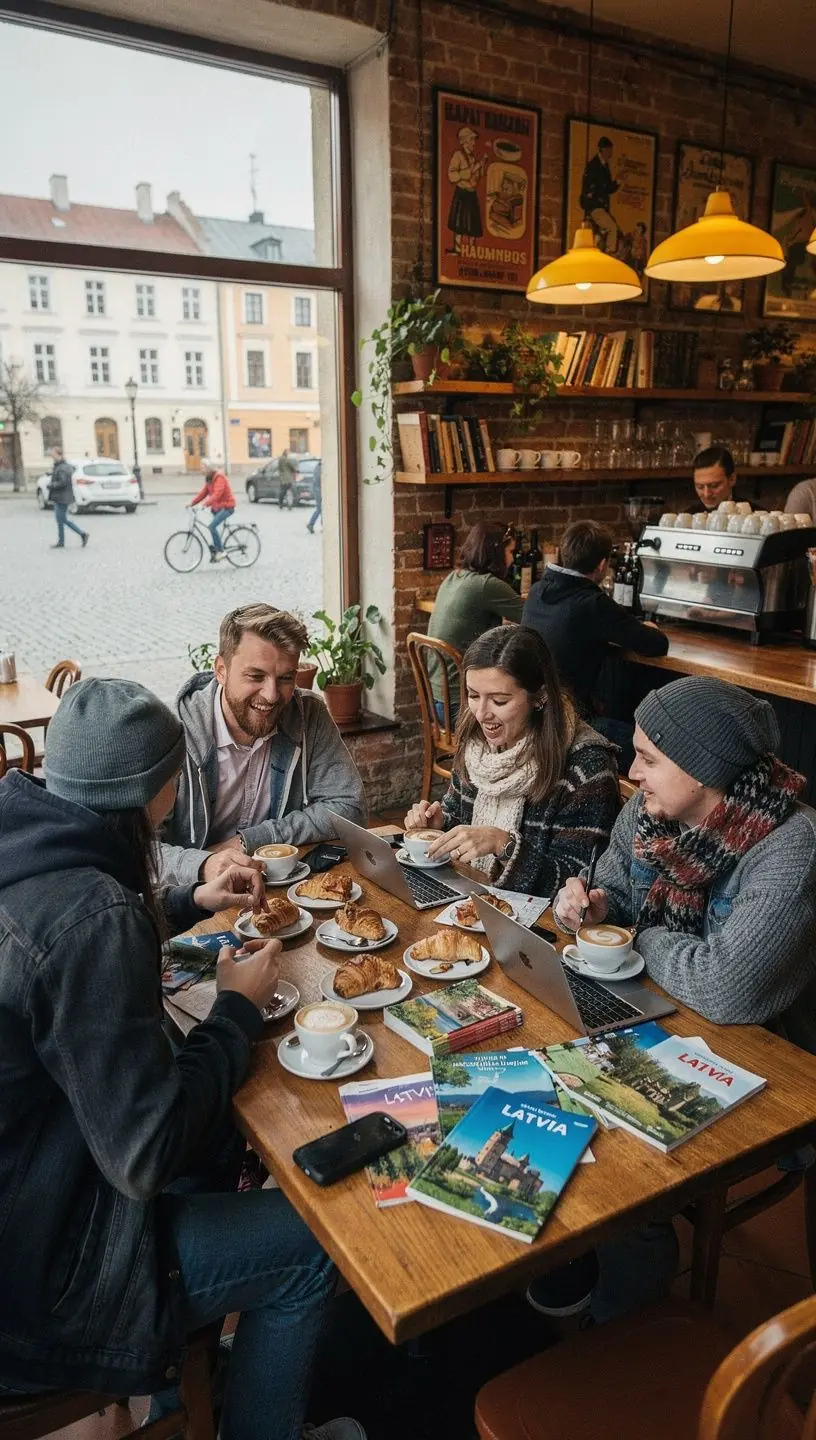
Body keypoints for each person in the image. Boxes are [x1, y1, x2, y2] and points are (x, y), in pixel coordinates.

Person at [0, 678, 363, 1440]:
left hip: (30, 1201)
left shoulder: (28, 845)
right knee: (315, 1245)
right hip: (47, 1285)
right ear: (158, 790)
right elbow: (147, 1155)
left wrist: (182, 904)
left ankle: (176, 1386)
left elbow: (60, 965)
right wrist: (235, 1009)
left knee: (220, 1146)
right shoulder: (91, 919)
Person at [537, 675, 816, 1329]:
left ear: (705, 769)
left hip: (769, 1062)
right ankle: (582, 1255)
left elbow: (727, 989)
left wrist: (638, 935)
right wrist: (594, 906)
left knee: (618, 1156)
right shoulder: (650, 811)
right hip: (667, 1018)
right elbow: (611, 886)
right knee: (551, 1087)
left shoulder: (792, 845)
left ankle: (628, 1326)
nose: (632, 770)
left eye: (650, 758)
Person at [158, 603, 367, 887]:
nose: (271, 695)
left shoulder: (309, 714)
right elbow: (135, 851)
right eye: (256, 676)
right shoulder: (170, 732)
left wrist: (250, 841)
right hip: (190, 900)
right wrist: (202, 864)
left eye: (285, 678)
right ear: (221, 670)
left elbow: (349, 809)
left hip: (277, 891)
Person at [404, 625, 619, 897]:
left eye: (499, 700)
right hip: (474, 900)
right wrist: (439, 825)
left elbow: (578, 885)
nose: (482, 713)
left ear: (539, 697)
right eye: (473, 695)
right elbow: (458, 815)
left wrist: (505, 846)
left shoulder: (587, 765)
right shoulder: (476, 740)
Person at [521, 520, 669, 767]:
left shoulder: (538, 590)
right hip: (571, 724)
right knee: (662, 752)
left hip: (534, 717)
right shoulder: (591, 602)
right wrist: (649, 629)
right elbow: (656, 645)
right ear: (602, 564)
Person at [427, 522, 524, 723]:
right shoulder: (487, 585)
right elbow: (533, 617)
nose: (513, 558)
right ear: (497, 552)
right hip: (462, 706)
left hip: (437, 702)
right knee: (531, 707)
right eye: (510, 551)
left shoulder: (454, 577)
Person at [446, 125, 488, 253]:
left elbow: (478, 176)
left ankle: (472, 251)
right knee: (459, 224)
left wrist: (482, 165)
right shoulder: (458, 155)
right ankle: (458, 249)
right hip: (462, 192)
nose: (474, 143)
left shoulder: (472, 157)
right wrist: (470, 171)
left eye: (474, 140)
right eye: (471, 140)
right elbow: (451, 175)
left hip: (471, 193)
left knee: (472, 224)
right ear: (464, 141)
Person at [579, 136, 620, 255]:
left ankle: (599, 250)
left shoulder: (604, 165)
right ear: (603, 149)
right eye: (609, 150)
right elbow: (592, 188)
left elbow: (607, 188)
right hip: (595, 206)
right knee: (612, 227)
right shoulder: (594, 165)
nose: (611, 153)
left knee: (601, 233)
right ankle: (609, 253)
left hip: (600, 206)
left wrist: (617, 182)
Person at [189, 459, 236, 561]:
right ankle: (217, 548)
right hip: (218, 508)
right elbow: (203, 493)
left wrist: (205, 505)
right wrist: (192, 503)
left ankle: (221, 551)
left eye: (202, 467)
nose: (200, 469)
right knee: (212, 527)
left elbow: (217, 494)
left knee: (212, 527)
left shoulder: (219, 477)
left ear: (207, 468)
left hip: (227, 507)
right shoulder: (209, 478)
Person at [47, 447, 88, 549]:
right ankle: (62, 541)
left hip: (62, 496)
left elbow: (63, 482)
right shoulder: (60, 466)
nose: (51, 455)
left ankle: (81, 534)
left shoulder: (63, 467)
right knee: (60, 519)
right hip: (61, 496)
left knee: (62, 519)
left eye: (53, 453)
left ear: (58, 454)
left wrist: (51, 485)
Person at [689, 445, 749, 513]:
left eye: (714, 485)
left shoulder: (758, 516)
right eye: (700, 487)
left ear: (732, 479)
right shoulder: (688, 518)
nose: (706, 494)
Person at [306, 457, 322, 534]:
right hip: (318, 491)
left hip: (317, 490)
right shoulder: (320, 468)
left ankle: (321, 525)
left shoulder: (318, 467)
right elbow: (320, 480)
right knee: (320, 509)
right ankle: (311, 524)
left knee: (321, 509)